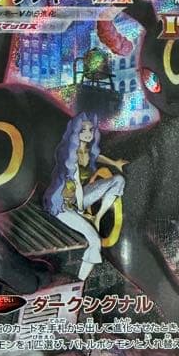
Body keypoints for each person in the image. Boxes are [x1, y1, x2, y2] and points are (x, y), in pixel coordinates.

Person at [44, 113, 126, 284]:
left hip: (77, 199)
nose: (88, 133)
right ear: (76, 132)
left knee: (118, 180)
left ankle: (98, 215)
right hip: (62, 205)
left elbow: (97, 157)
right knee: (95, 240)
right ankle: (79, 282)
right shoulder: (69, 156)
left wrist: (114, 163)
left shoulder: (88, 151)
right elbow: (77, 187)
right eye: (84, 130)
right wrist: (81, 212)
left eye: (91, 130)